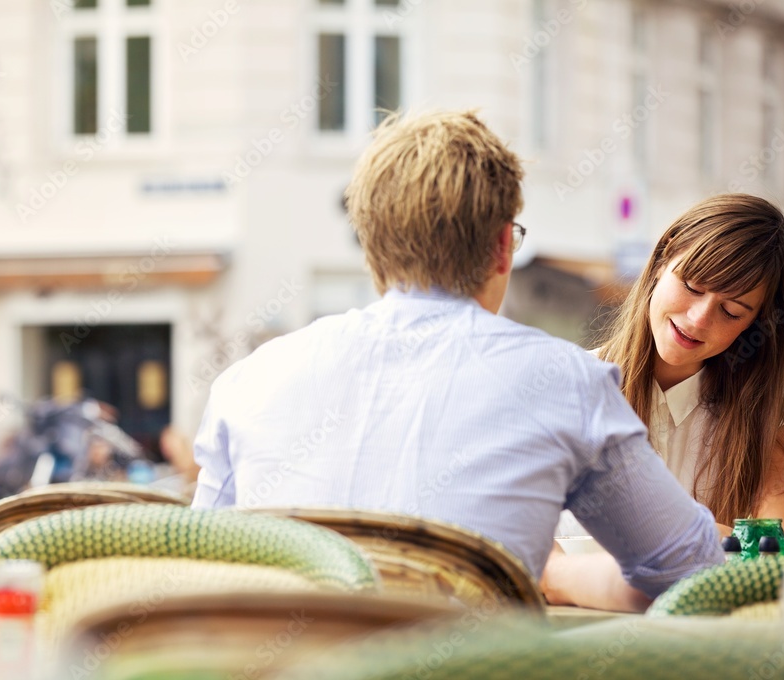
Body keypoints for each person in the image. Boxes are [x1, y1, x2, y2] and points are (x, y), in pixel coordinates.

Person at [191, 109, 723, 611]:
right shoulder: (565, 383)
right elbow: (689, 567)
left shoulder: (249, 381)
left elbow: (200, 569)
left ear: (371, 247)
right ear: (500, 247)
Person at [595, 193, 784, 548]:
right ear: (662, 258)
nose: (698, 320)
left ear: (755, 325)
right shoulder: (568, 385)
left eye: (731, 311)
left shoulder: (763, 425)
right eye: (692, 286)